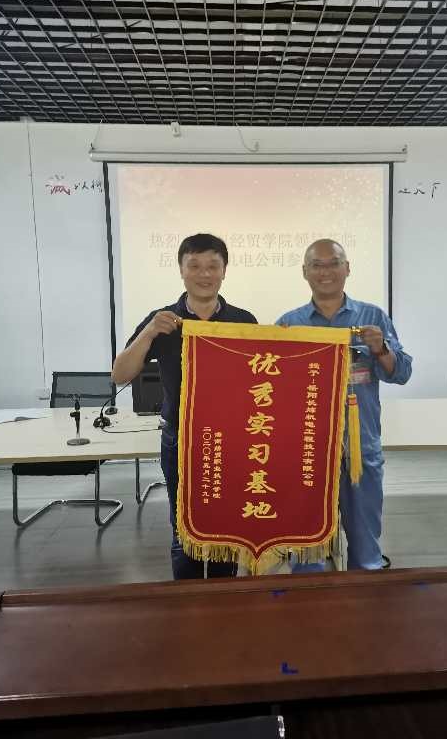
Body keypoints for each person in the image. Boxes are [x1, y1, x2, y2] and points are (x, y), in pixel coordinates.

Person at [112, 233, 257, 580]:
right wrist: (149, 332)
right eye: (195, 266)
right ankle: (187, 601)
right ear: (181, 270)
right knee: (184, 529)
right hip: (180, 439)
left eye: (212, 266)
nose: (204, 274)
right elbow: (120, 375)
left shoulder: (243, 321)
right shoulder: (162, 320)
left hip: (230, 442)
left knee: (224, 528)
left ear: (224, 270)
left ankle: (222, 598)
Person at [277, 238, 412, 572]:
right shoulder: (289, 324)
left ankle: (364, 599)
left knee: (366, 551)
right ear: (304, 272)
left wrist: (380, 349)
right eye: (317, 265)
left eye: (333, 263)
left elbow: (402, 373)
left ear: (347, 268)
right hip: (307, 454)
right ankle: (310, 600)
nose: (326, 272)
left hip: (359, 449)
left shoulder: (372, 316)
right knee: (307, 553)